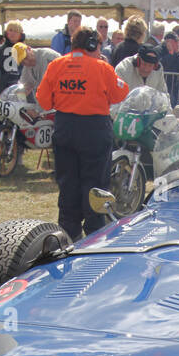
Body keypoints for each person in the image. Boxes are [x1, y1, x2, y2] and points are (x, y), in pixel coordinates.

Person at [35, 26, 129, 241]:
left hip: (65, 127)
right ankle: (95, 233)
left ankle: (68, 232)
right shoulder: (101, 67)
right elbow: (120, 92)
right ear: (92, 45)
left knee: (68, 182)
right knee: (95, 183)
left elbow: (43, 100)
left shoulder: (56, 65)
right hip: (94, 129)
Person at [160, 29, 179, 102]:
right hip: (164, 86)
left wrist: (177, 52)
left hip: (175, 87)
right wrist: (171, 53)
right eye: (176, 41)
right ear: (169, 42)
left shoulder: (177, 53)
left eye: (178, 41)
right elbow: (163, 65)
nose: (178, 43)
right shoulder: (160, 50)